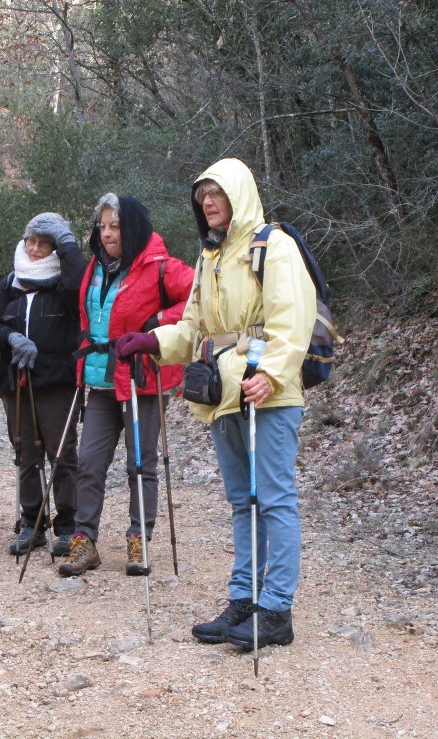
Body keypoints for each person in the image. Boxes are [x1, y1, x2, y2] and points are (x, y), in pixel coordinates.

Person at [117, 158, 316, 649]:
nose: (208, 201)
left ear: (239, 195)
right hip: (223, 393)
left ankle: (276, 609)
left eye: (217, 192)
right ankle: (245, 599)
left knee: (274, 498)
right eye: (203, 194)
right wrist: (152, 341)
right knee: (242, 501)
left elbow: (293, 318)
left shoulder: (274, 246)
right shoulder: (211, 257)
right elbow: (195, 329)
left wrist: (270, 373)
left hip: (267, 391)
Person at [59, 194, 194, 578]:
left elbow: (198, 297)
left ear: (131, 226)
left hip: (142, 379)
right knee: (89, 462)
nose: (106, 234)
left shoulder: (159, 265)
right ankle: (85, 540)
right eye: (101, 226)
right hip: (101, 379)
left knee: (141, 463)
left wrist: (157, 321)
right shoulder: (95, 267)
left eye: (114, 226)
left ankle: (140, 537)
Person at [0, 213, 85, 558]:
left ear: (55, 247)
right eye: (31, 241)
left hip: (57, 384)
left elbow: (78, 290)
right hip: (16, 383)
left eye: (44, 242)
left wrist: (69, 244)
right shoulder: (10, 283)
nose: (35, 248)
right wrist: (10, 337)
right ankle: (32, 523)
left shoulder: (66, 286)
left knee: (63, 455)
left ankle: (68, 526)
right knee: (25, 454)